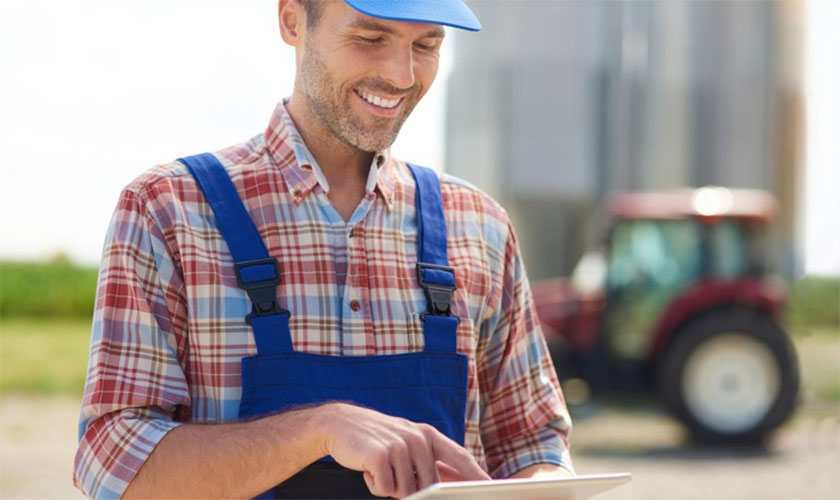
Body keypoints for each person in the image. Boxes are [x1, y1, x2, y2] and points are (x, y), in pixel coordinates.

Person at [73, 1, 574, 498]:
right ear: (293, 20)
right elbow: (114, 465)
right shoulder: (170, 211)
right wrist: (320, 431)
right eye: (370, 38)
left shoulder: (480, 226)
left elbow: (534, 449)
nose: (401, 75)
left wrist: (545, 483)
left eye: (426, 45)